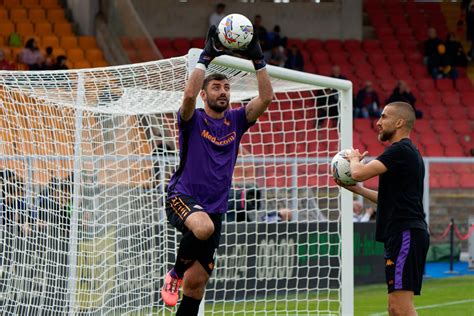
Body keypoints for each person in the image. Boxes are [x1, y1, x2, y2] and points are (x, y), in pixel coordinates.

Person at [160, 25, 273, 315]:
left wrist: (259, 61)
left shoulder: (236, 120)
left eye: (226, 88)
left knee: (196, 285)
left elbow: (266, 99)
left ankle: (182, 280)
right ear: (204, 94)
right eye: (216, 87)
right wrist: (205, 58)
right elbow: (186, 97)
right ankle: (174, 273)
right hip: (182, 196)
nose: (223, 92)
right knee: (203, 228)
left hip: (215, 207)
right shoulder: (192, 119)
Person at [335, 102, 430, 316]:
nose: (378, 122)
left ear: (399, 122)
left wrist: (352, 159)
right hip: (403, 233)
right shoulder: (404, 153)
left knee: (400, 307)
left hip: (405, 233)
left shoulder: (400, 150)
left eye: (384, 117)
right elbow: (387, 199)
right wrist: (357, 190)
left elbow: (358, 172)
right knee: (394, 309)